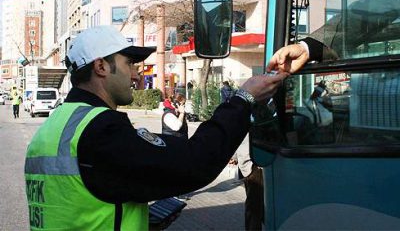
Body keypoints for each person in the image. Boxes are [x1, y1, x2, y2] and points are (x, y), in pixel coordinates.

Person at [24, 25, 292, 230]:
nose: (136, 74)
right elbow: (196, 162)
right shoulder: (100, 129)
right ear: (101, 66)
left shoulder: (53, 128)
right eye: (129, 63)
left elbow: (80, 204)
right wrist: (243, 99)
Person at [231, 137, 264, 231]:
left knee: (256, 204)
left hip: (251, 164)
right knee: (255, 205)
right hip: (254, 165)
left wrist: (234, 157)